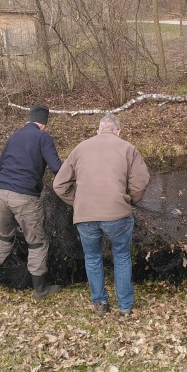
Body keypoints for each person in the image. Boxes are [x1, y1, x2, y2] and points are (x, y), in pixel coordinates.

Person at [52, 113, 150, 316]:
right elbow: (140, 183)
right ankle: (124, 307)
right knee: (121, 257)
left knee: (93, 258)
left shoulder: (80, 148)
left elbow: (59, 184)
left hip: (85, 216)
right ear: (118, 131)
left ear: (97, 131)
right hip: (117, 215)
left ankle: (100, 304)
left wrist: (78, 202)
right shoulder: (128, 148)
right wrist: (130, 200)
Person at [0, 103, 63, 300]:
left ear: (28, 120)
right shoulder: (43, 137)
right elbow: (56, 167)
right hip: (24, 196)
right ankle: (41, 289)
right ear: (43, 124)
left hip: (0, 193)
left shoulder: (15, 135)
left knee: (3, 236)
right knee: (37, 242)